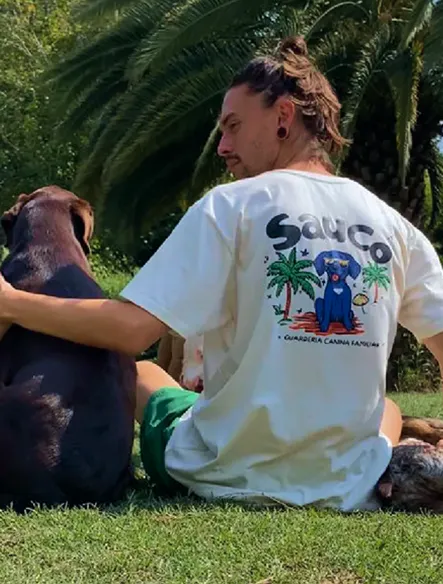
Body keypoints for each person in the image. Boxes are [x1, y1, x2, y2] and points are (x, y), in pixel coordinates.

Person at [1, 35, 443, 511]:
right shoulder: (395, 227)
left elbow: (131, 331)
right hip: (349, 487)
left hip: (224, 473)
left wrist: (13, 303)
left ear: (283, 116)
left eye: (233, 126)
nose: (224, 147)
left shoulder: (230, 206)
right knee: (387, 407)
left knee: (146, 371)